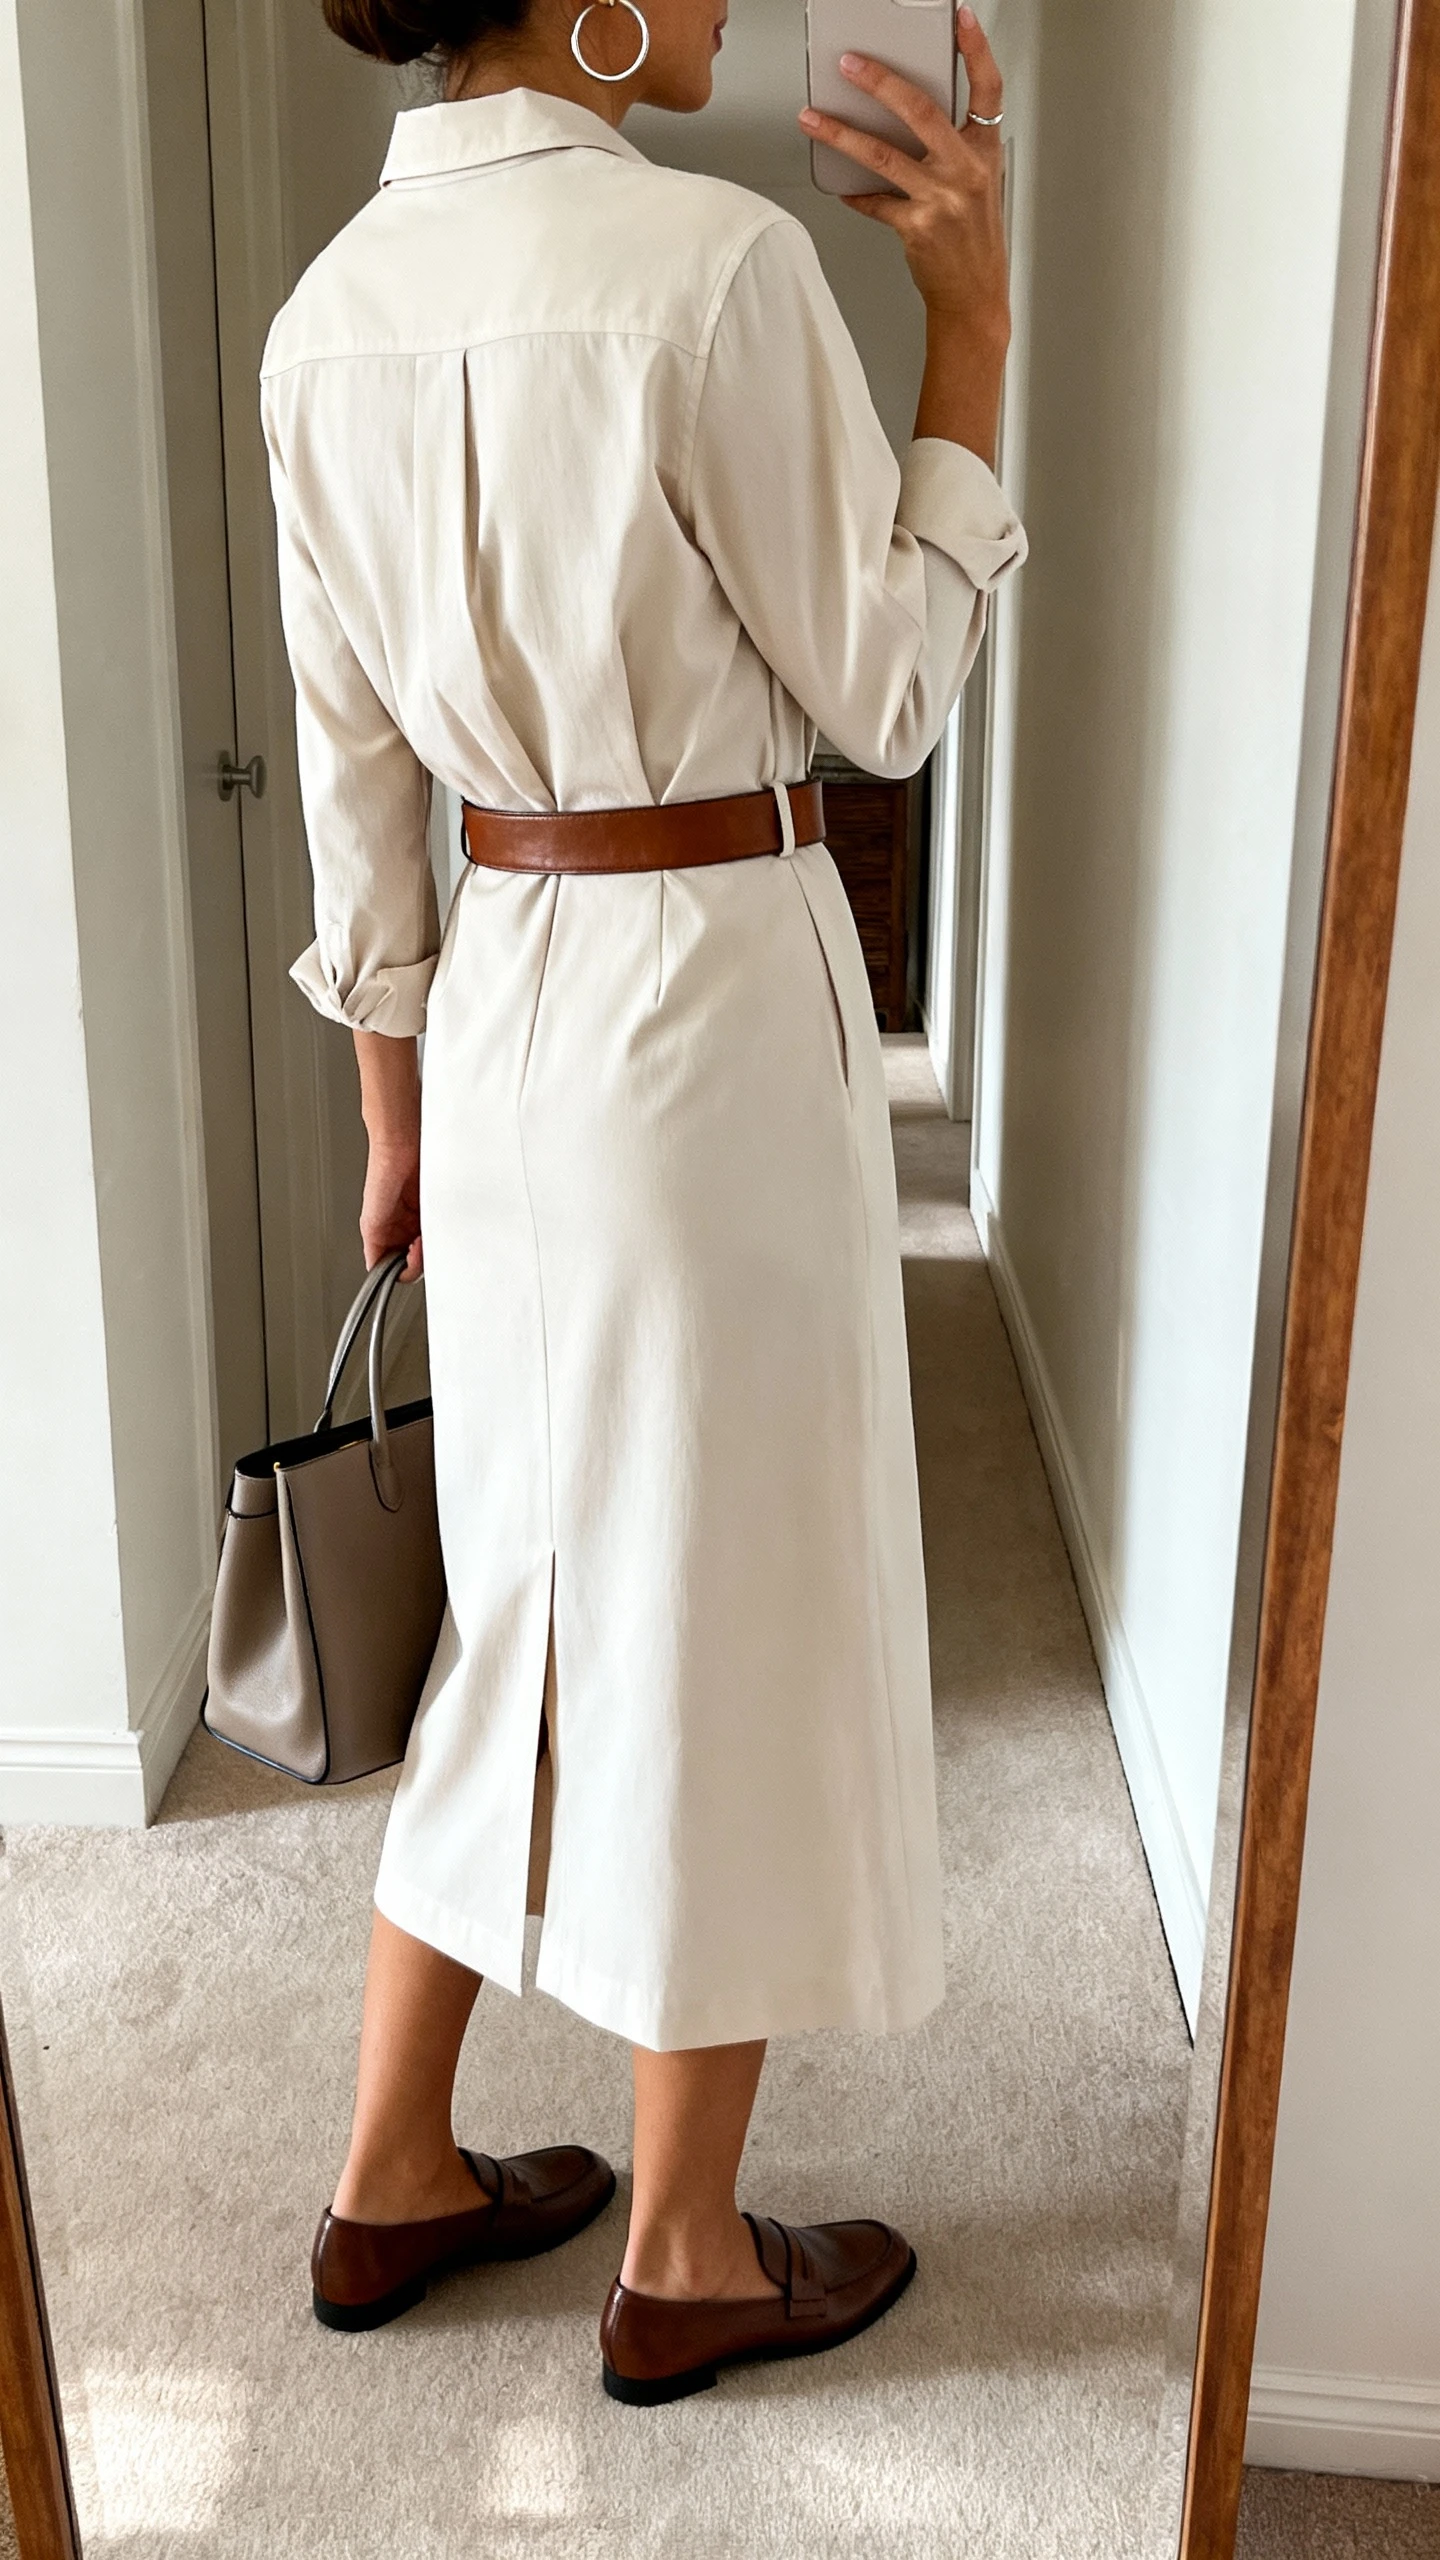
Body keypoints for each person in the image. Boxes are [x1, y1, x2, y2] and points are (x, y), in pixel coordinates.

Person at [263, 0, 1023, 2404]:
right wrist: (978, 324)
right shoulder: (714, 272)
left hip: (493, 1013)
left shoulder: (323, 324)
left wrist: (395, 1121)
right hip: (702, 1002)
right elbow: (886, 686)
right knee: (726, 1596)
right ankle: (683, 2241)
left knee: (527, 1593)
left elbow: (356, 797)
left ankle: (394, 2166)